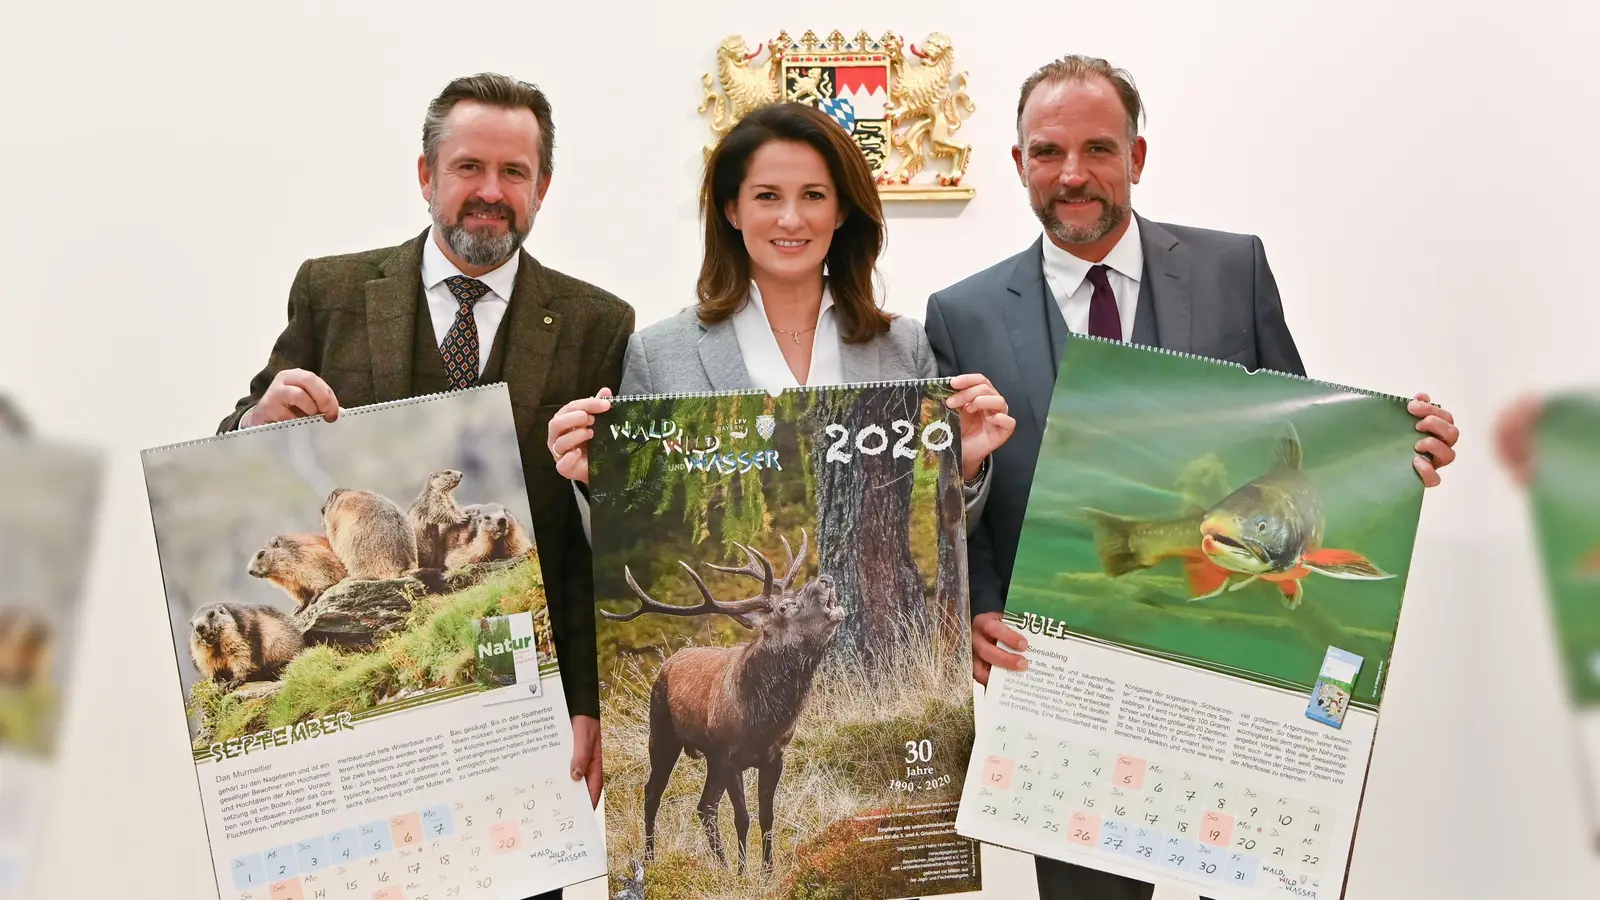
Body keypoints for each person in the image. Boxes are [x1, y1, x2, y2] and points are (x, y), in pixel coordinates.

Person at [923, 55, 1461, 900]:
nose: (1073, 174)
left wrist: (1395, 456)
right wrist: (980, 604)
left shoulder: (1231, 268)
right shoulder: (962, 311)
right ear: (1017, 162)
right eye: (1047, 151)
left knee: (1246, 881)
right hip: (1066, 671)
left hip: (1231, 645)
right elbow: (961, 492)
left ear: (1137, 156)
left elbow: (1298, 435)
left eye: (1098, 149)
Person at [216, 73, 632, 900]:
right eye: (469, 167)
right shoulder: (330, 293)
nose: (490, 192)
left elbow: (598, 542)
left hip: (515, 701)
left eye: (514, 173)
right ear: (426, 175)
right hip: (365, 693)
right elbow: (236, 429)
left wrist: (590, 703)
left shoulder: (599, 323)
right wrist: (257, 420)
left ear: (542, 187)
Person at [546, 101, 1014, 523]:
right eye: (767, 196)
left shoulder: (903, 347)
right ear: (733, 209)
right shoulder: (659, 354)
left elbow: (941, 533)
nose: (791, 219)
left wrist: (965, 467)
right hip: (733, 613)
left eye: (813, 195)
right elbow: (637, 537)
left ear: (841, 211)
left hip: (874, 609)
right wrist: (599, 481)